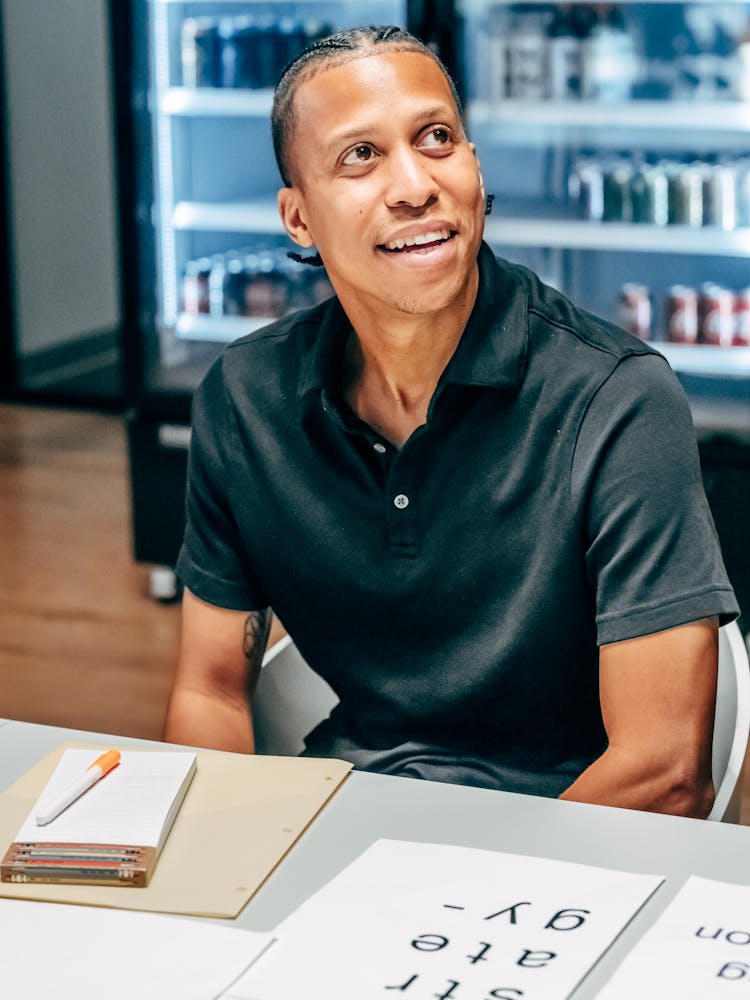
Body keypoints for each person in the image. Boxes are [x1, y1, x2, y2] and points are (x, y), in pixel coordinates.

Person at [164, 25, 739, 816]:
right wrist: (224, 856)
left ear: (474, 163)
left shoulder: (617, 399)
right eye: (359, 155)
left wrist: (450, 896)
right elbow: (210, 692)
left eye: (436, 138)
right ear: (297, 218)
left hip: (564, 839)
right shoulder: (243, 399)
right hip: (348, 817)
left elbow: (665, 770)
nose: (414, 184)